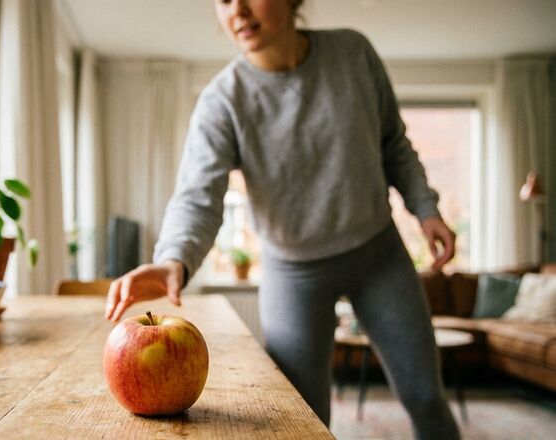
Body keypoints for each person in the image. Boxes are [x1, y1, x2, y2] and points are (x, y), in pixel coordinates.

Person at [104, 1, 460, 439]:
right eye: (223, 0)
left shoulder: (353, 53)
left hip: (379, 254)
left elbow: (394, 143)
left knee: (425, 396)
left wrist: (425, 207)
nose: (237, 10)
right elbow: (197, 197)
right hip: (294, 274)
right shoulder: (222, 100)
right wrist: (172, 258)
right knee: (303, 419)